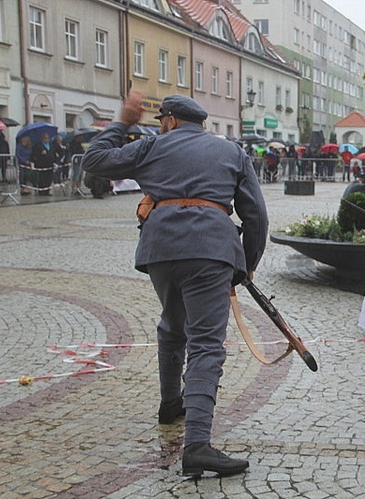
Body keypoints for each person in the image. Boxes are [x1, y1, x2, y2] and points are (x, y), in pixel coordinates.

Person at [82, 91, 268, 477]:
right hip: (211, 250)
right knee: (206, 343)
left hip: (161, 250)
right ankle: (197, 445)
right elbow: (257, 217)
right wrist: (246, 266)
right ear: (199, 123)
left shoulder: (152, 146)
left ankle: (171, 404)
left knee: (172, 323)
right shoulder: (232, 152)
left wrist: (123, 123)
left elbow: (94, 161)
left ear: (167, 120)